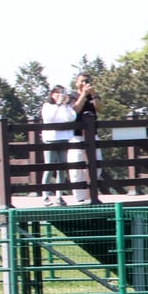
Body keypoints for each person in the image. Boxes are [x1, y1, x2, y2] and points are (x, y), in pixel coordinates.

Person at [67, 73, 102, 204]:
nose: (84, 83)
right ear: (76, 83)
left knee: (97, 164)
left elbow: (100, 108)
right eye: (81, 81)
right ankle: (79, 197)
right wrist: (83, 94)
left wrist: (93, 95)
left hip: (92, 135)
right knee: (76, 167)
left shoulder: (93, 94)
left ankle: (91, 194)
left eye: (86, 81)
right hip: (76, 136)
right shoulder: (72, 95)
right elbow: (75, 109)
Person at [38, 85, 76, 206]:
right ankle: (45, 196)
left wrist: (65, 105)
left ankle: (59, 196)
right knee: (49, 167)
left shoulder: (65, 106)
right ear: (51, 94)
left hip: (64, 139)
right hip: (51, 140)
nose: (59, 95)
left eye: (61, 93)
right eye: (56, 93)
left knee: (62, 169)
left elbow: (71, 118)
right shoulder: (47, 106)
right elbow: (49, 118)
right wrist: (58, 105)